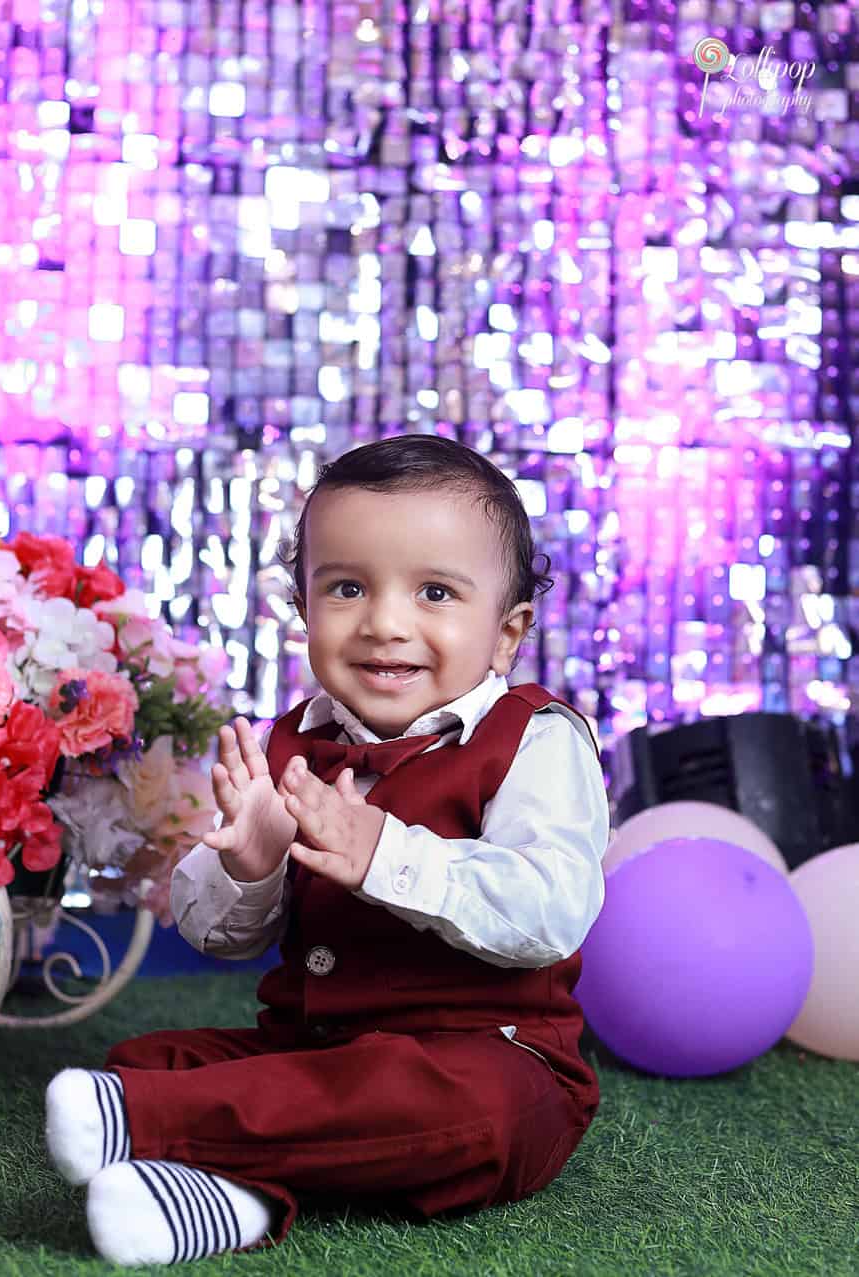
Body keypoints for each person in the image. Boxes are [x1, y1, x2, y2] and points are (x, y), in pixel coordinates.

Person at [44, 434, 610, 1267]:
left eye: (435, 591)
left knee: (476, 1109)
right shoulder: (288, 745)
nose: (384, 622)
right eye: (347, 586)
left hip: (487, 1057)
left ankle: (162, 1130)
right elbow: (216, 935)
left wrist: (385, 851)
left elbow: (551, 911)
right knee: (151, 1056)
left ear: (505, 632)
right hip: (314, 1053)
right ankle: (232, 1197)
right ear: (305, 610)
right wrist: (251, 864)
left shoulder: (537, 739)